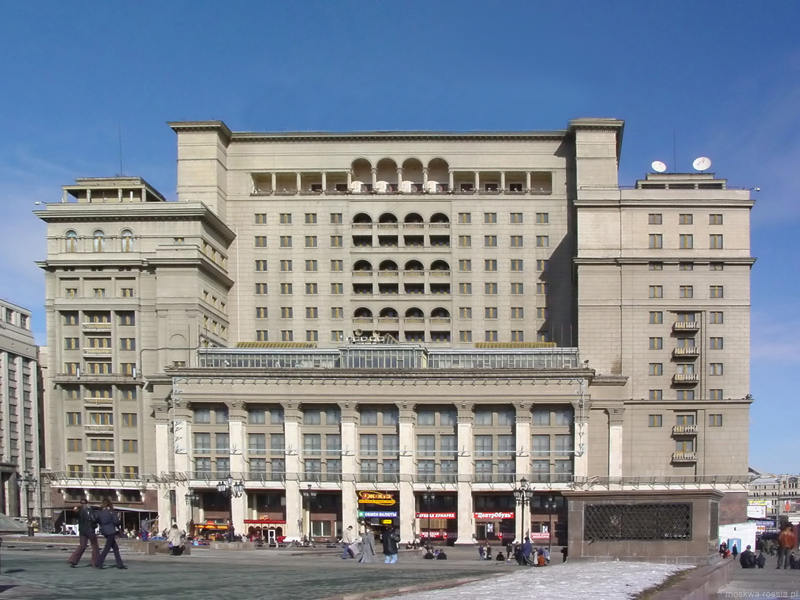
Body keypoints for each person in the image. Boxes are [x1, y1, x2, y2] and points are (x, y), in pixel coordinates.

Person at [68, 499, 100, 568]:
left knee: (82, 546)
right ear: (87, 503)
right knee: (95, 546)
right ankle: (95, 562)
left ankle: (73, 560)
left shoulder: (79, 511)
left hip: (82, 531)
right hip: (90, 530)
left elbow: (75, 514)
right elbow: (94, 519)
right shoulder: (90, 510)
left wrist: (75, 510)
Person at [96, 499, 127, 569]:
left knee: (115, 548)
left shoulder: (100, 512)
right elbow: (116, 521)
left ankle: (120, 564)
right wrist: (119, 521)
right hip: (111, 531)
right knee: (107, 548)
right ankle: (99, 562)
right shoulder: (111, 512)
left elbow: (98, 521)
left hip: (104, 531)